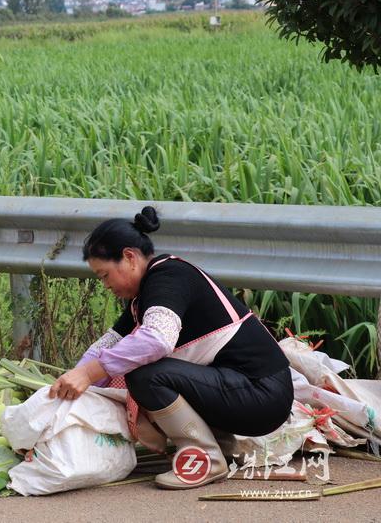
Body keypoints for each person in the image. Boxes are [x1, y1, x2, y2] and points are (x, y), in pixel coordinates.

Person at [48, 206, 293, 489]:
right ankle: (221, 448)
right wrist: (70, 385)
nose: (104, 285)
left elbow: (157, 339)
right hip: (245, 392)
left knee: (146, 375)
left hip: (262, 395)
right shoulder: (144, 295)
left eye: (104, 275)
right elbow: (109, 343)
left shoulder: (169, 277)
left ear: (129, 257)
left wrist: (90, 373)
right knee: (141, 367)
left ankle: (204, 460)